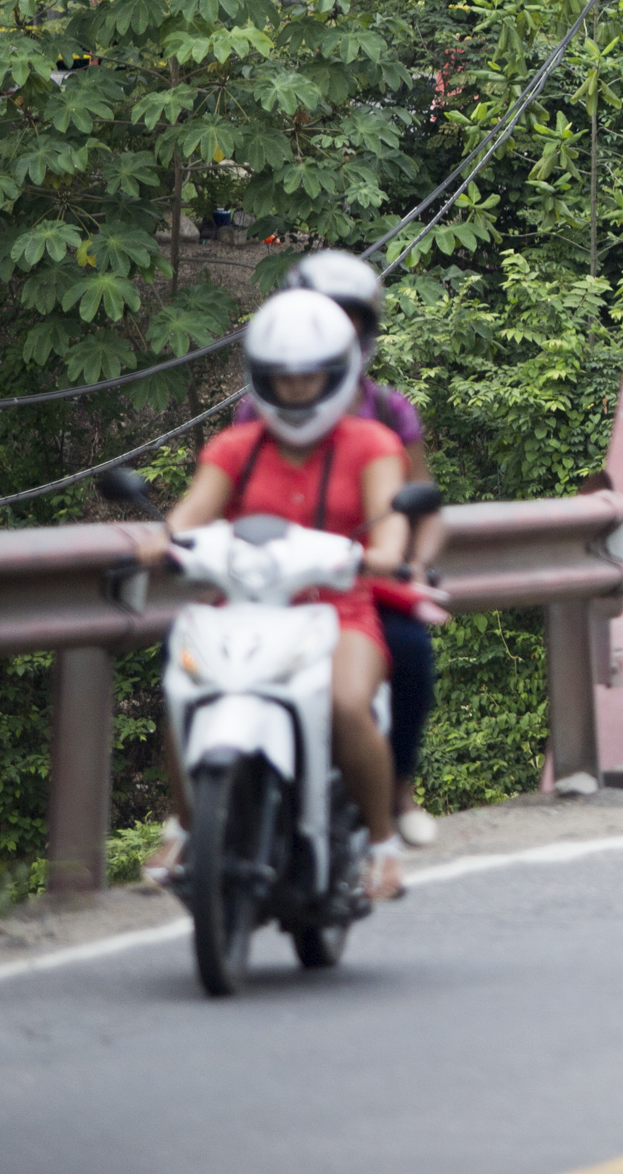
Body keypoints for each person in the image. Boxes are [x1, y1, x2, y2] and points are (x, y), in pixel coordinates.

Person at [141, 290, 418, 899]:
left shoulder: (372, 445)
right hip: (241, 606)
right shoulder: (234, 448)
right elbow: (192, 512)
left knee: (347, 704)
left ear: (338, 373)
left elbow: (390, 521)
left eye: (309, 376)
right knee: (188, 691)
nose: (295, 390)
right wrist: (163, 541)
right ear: (261, 377)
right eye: (282, 377)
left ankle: (381, 845)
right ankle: (186, 826)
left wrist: (386, 551)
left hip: (338, 610)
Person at [238, 249, 445, 846]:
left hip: (360, 574)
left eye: (345, 319)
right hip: (278, 577)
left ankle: (399, 789)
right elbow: (232, 491)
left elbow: (425, 505)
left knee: (410, 652)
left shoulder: (387, 411)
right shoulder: (259, 408)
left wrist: (414, 565)